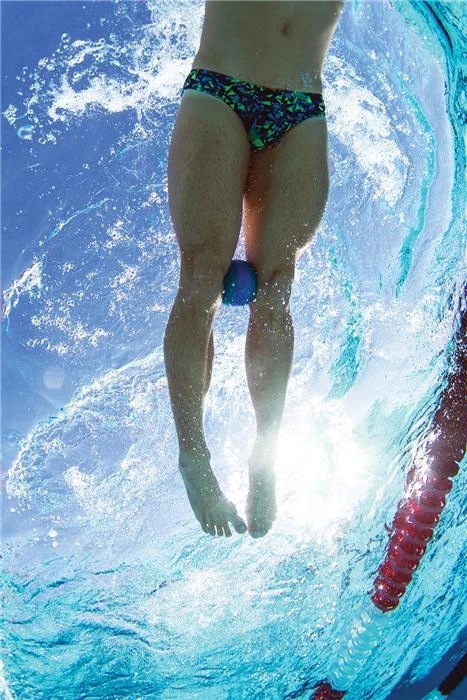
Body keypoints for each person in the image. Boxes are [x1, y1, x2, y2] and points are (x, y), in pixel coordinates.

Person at [164, 0, 344, 538]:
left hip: (302, 105)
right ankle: (194, 457)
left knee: (277, 287)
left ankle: (265, 457)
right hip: (222, 87)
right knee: (201, 277)